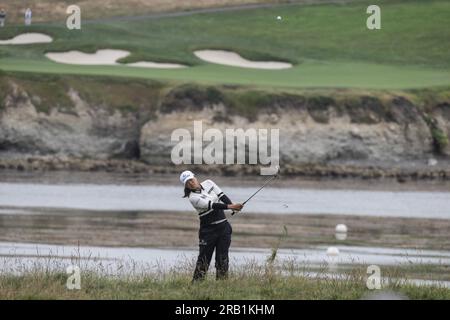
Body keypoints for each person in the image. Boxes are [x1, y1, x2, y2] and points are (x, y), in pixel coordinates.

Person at [180, 170, 243, 282]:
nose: (190, 183)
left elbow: (222, 196)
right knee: (204, 259)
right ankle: (196, 285)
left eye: (191, 179)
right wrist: (231, 206)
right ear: (186, 186)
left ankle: (221, 284)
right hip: (208, 231)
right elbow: (212, 205)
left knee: (222, 258)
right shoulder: (193, 198)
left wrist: (232, 206)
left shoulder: (209, 183)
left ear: (195, 177)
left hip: (224, 228)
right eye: (187, 182)